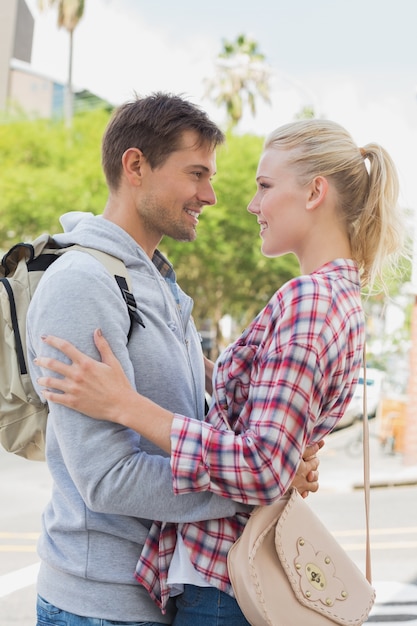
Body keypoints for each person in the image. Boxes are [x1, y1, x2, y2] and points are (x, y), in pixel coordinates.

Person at [35, 118, 406, 624]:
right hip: (147, 587)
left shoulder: (309, 302)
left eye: (264, 186)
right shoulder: (333, 297)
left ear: (316, 192)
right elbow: (261, 444)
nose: (245, 203)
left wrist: (130, 407)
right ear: (135, 166)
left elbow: (260, 467)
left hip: (217, 583)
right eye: (197, 174)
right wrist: (276, 465)